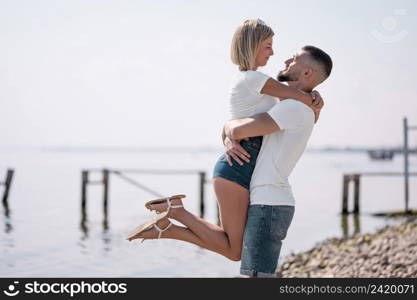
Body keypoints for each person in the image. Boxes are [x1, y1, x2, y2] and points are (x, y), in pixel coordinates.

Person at [126, 20, 322, 265]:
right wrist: (314, 99)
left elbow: (260, 117)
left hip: (242, 165)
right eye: (268, 46)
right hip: (237, 168)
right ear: (252, 46)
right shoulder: (254, 78)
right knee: (234, 251)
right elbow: (297, 97)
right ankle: (176, 213)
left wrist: (311, 103)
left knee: (233, 248)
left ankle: (170, 225)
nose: (272, 52)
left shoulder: (252, 80)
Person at [224, 45, 333, 277]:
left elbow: (238, 130)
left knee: (255, 277)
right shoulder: (292, 106)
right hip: (270, 201)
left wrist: (227, 129)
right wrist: (229, 135)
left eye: (294, 59)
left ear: (307, 74)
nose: (285, 60)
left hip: (269, 203)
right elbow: (237, 131)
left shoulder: (293, 108)